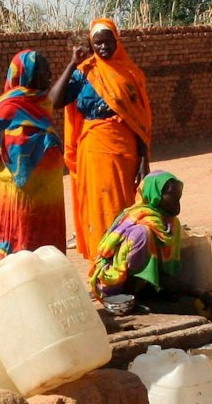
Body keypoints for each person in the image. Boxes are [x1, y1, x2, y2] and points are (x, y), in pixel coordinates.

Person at [50, 18, 152, 264]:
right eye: (98, 43)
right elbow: (54, 101)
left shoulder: (130, 74)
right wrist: (72, 65)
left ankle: (127, 258)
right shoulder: (85, 72)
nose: (104, 47)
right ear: (91, 45)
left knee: (125, 204)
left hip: (125, 148)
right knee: (99, 204)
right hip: (94, 149)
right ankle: (103, 259)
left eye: (108, 42)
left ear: (117, 41)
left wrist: (143, 158)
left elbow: (140, 121)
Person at [0, 50, 66, 258]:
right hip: (16, 198)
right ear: (26, 74)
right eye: (43, 69)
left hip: (46, 197)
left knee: (47, 256)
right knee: (20, 254)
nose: (49, 73)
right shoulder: (7, 107)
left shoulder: (41, 103)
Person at [89, 170, 212, 314]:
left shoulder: (170, 223)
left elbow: (163, 270)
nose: (177, 203)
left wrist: (196, 291)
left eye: (178, 197)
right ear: (155, 196)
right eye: (172, 197)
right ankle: (134, 299)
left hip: (143, 284)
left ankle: (148, 292)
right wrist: (197, 292)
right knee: (142, 237)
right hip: (117, 286)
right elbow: (132, 269)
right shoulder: (140, 227)